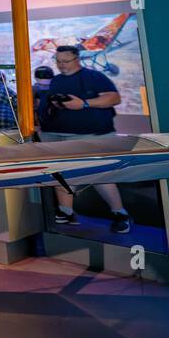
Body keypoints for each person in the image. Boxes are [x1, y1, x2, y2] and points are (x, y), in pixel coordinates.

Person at [40, 44, 130, 233]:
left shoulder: (94, 76)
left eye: (66, 61)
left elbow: (114, 98)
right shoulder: (56, 81)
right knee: (61, 173)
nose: (61, 65)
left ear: (77, 59)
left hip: (91, 136)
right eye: (58, 61)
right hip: (55, 135)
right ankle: (66, 211)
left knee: (99, 175)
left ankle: (120, 214)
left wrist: (85, 104)